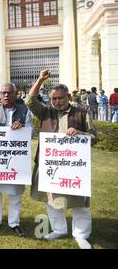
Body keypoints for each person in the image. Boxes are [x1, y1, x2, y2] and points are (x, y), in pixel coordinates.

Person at [26, 69, 97, 249]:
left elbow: (94, 136)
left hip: (74, 167)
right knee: (51, 200)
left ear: (68, 97)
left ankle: (81, 234)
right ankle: (59, 229)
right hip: (50, 164)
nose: (57, 101)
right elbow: (29, 100)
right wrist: (40, 79)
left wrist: (81, 133)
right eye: (54, 98)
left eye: (60, 98)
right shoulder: (45, 112)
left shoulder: (82, 112)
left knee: (79, 202)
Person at [0, 83, 33, 237]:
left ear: (15, 94)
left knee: (15, 193)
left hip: (16, 160)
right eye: (3, 93)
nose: (6, 96)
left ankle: (14, 222)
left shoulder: (25, 111)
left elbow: (31, 133)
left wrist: (23, 127)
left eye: (9, 93)